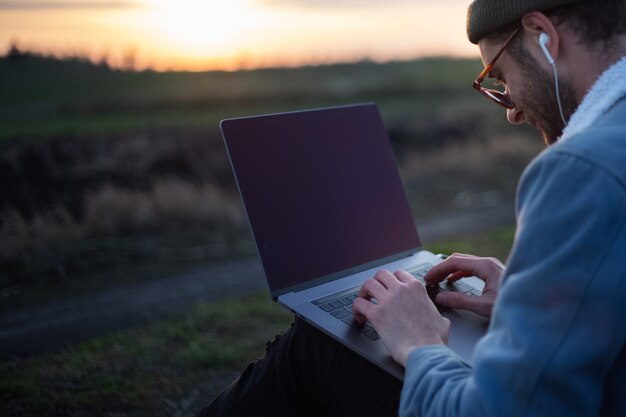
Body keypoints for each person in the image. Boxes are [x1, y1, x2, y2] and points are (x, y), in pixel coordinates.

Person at [200, 0, 626, 415]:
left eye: (499, 75)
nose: (510, 109)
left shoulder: (581, 170)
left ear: (544, 35)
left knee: (316, 347)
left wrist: (419, 342)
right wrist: (533, 306)